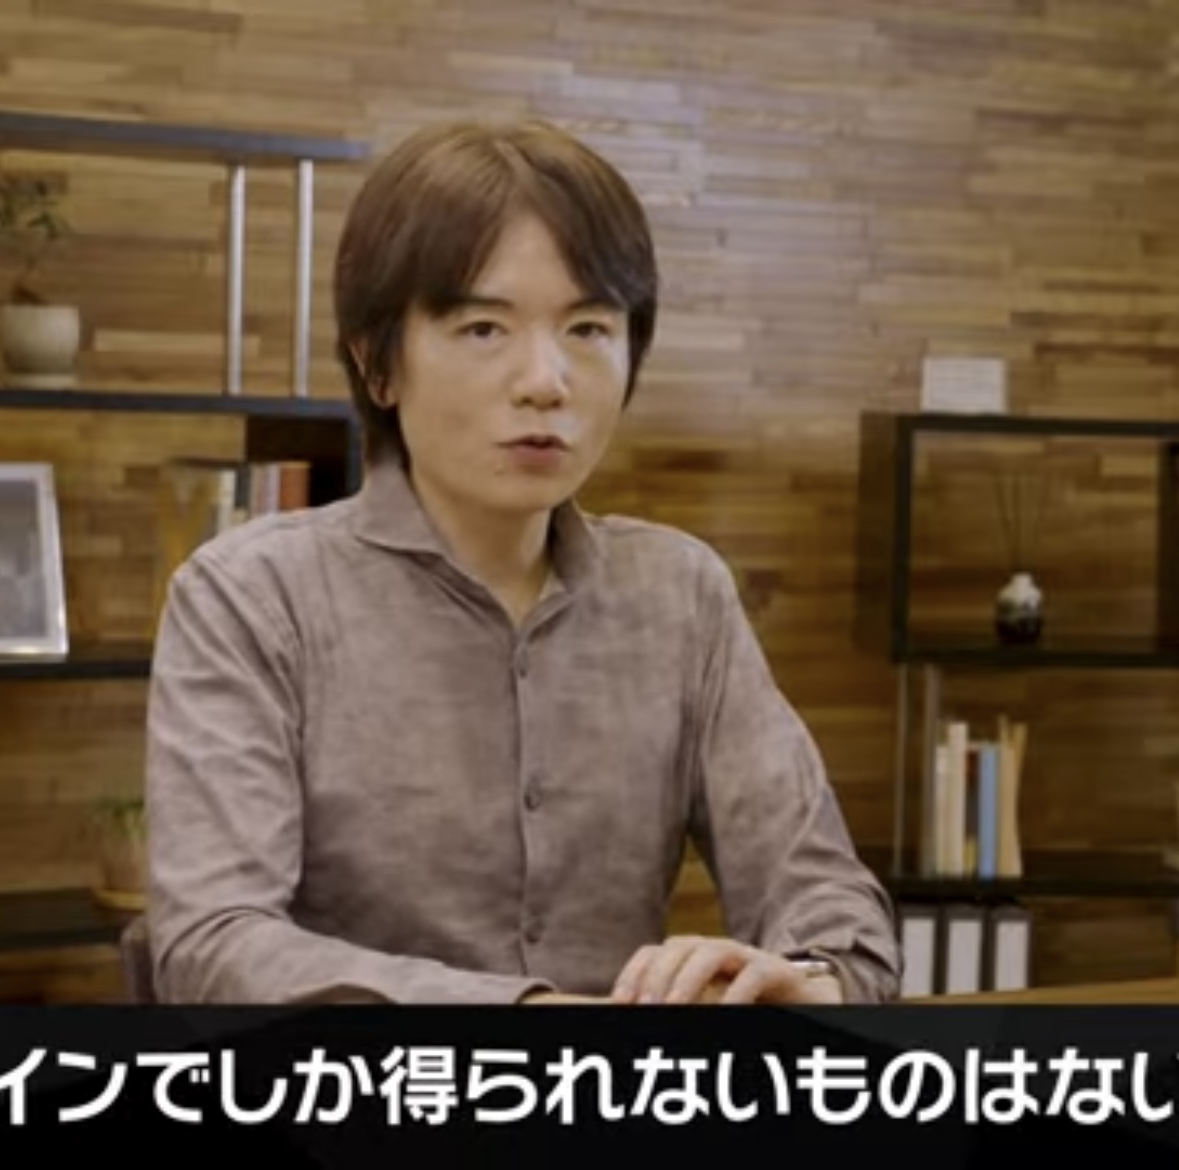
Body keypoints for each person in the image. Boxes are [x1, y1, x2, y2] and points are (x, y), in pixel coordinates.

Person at [143, 117, 900, 1006]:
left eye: (587, 328)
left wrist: (808, 980)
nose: (546, 381)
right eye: (483, 329)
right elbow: (213, 945)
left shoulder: (680, 594)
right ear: (378, 364)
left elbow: (833, 908)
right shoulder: (251, 596)